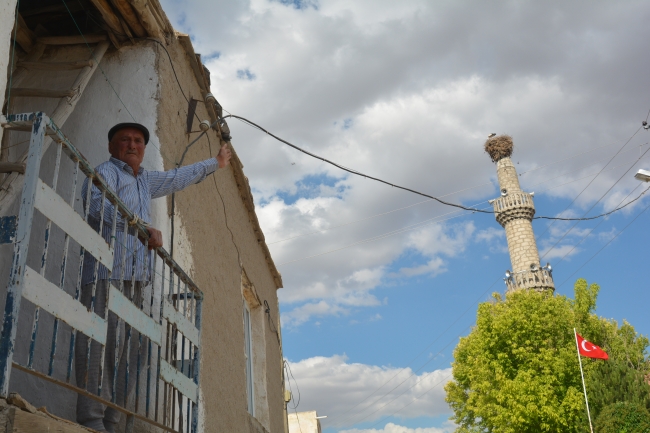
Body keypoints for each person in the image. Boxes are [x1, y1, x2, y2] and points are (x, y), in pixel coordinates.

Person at [75, 122, 231, 433]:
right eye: (124, 140)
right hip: (106, 274)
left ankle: (113, 420)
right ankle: (91, 421)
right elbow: (95, 208)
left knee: (135, 351)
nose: (132, 145)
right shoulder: (105, 172)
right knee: (97, 347)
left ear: (144, 149)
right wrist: (137, 226)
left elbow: (177, 178)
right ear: (111, 146)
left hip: (136, 281)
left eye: (137, 141)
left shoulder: (145, 181)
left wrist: (216, 163)